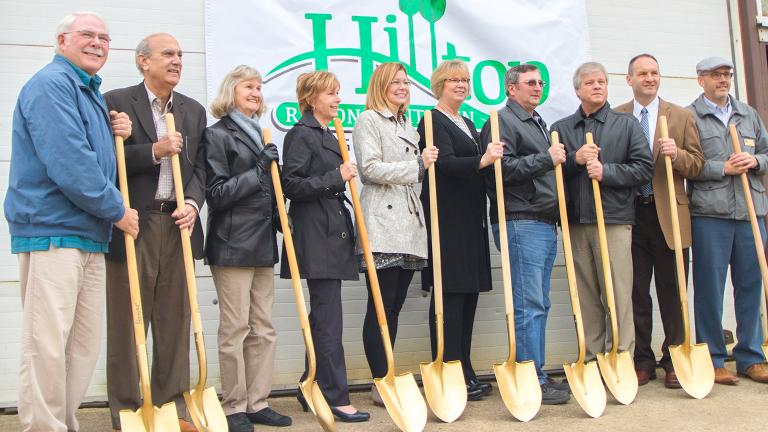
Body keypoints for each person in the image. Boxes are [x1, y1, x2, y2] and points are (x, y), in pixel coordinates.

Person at [4, 12, 139, 432]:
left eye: (104, 37)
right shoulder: (51, 85)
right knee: (47, 343)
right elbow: (69, 162)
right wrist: (117, 209)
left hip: (89, 235)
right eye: (87, 34)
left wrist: (115, 127)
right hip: (52, 231)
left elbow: (96, 156)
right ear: (62, 40)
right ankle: (42, 427)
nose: (97, 42)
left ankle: (62, 422)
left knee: (81, 346)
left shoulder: (89, 92)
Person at [103, 33, 207, 432]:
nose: (177, 60)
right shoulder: (115, 102)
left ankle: (171, 407)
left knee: (175, 319)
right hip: (135, 223)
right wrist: (153, 152)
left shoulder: (192, 111)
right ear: (143, 61)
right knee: (129, 319)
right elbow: (103, 162)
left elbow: (200, 169)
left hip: (177, 223)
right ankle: (127, 410)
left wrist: (193, 204)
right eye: (168, 54)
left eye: (180, 54)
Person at [204, 65, 292, 431]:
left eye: (259, 87)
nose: (256, 92)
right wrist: (258, 170)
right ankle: (234, 405)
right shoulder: (217, 135)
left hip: (261, 244)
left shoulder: (262, 135)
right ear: (231, 91)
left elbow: (269, 191)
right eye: (248, 87)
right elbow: (217, 194)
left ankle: (258, 401)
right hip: (232, 244)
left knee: (264, 327)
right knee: (235, 328)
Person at [280, 70, 370, 422]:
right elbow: (291, 185)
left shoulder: (329, 133)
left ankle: (311, 384)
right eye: (331, 93)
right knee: (329, 317)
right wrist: (338, 176)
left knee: (324, 316)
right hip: (315, 233)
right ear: (311, 97)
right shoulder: (301, 134)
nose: (337, 98)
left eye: (338, 92)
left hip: (333, 230)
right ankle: (334, 395)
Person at [479, 64, 571, 404]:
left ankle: (538, 372)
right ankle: (529, 376)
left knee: (539, 303)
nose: (537, 87)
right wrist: (546, 159)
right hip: (520, 220)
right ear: (511, 89)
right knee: (528, 303)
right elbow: (499, 171)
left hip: (542, 220)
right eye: (530, 83)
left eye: (541, 82)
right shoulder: (502, 122)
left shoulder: (536, 122)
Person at [551, 62, 653, 363]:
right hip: (577, 221)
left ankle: (620, 356)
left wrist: (605, 172)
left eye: (602, 82)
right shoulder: (561, 130)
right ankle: (593, 357)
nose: (597, 86)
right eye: (590, 83)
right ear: (577, 90)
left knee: (618, 293)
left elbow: (644, 168)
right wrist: (574, 160)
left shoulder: (626, 125)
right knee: (585, 295)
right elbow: (552, 172)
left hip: (614, 220)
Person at [615, 54, 704, 388]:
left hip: (669, 215)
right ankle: (642, 359)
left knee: (673, 290)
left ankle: (674, 357)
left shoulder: (680, 116)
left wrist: (676, 154)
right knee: (636, 291)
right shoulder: (618, 116)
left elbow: (696, 164)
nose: (649, 78)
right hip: (631, 214)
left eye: (654, 73)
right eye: (642, 73)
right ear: (629, 79)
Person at [353, 62, 438, 404]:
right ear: (381, 86)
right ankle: (379, 379)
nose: (403, 87)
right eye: (396, 82)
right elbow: (370, 169)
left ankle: (387, 372)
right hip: (384, 222)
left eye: (406, 82)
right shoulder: (368, 120)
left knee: (396, 305)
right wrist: (418, 166)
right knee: (381, 305)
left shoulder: (407, 124)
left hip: (409, 223)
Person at [418, 60, 501, 401]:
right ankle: (447, 364)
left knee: (468, 294)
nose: (462, 84)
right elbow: (445, 164)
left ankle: (464, 364)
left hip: (471, 219)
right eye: (455, 79)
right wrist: (482, 161)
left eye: (466, 80)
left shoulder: (467, 122)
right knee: (451, 293)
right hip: (447, 219)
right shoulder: (431, 120)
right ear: (440, 83)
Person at [688, 56, 768, 385]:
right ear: (701, 80)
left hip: (751, 213)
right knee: (710, 287)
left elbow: (766, 152)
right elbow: (686, 164)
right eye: (715, 75)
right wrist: (722, 167)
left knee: (750, 284)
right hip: (711, 213)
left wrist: (755, 160)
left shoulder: (748, 114)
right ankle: (713, 357)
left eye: (727, 74)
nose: (723, 80)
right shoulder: (689, 117)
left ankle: (751, 355)